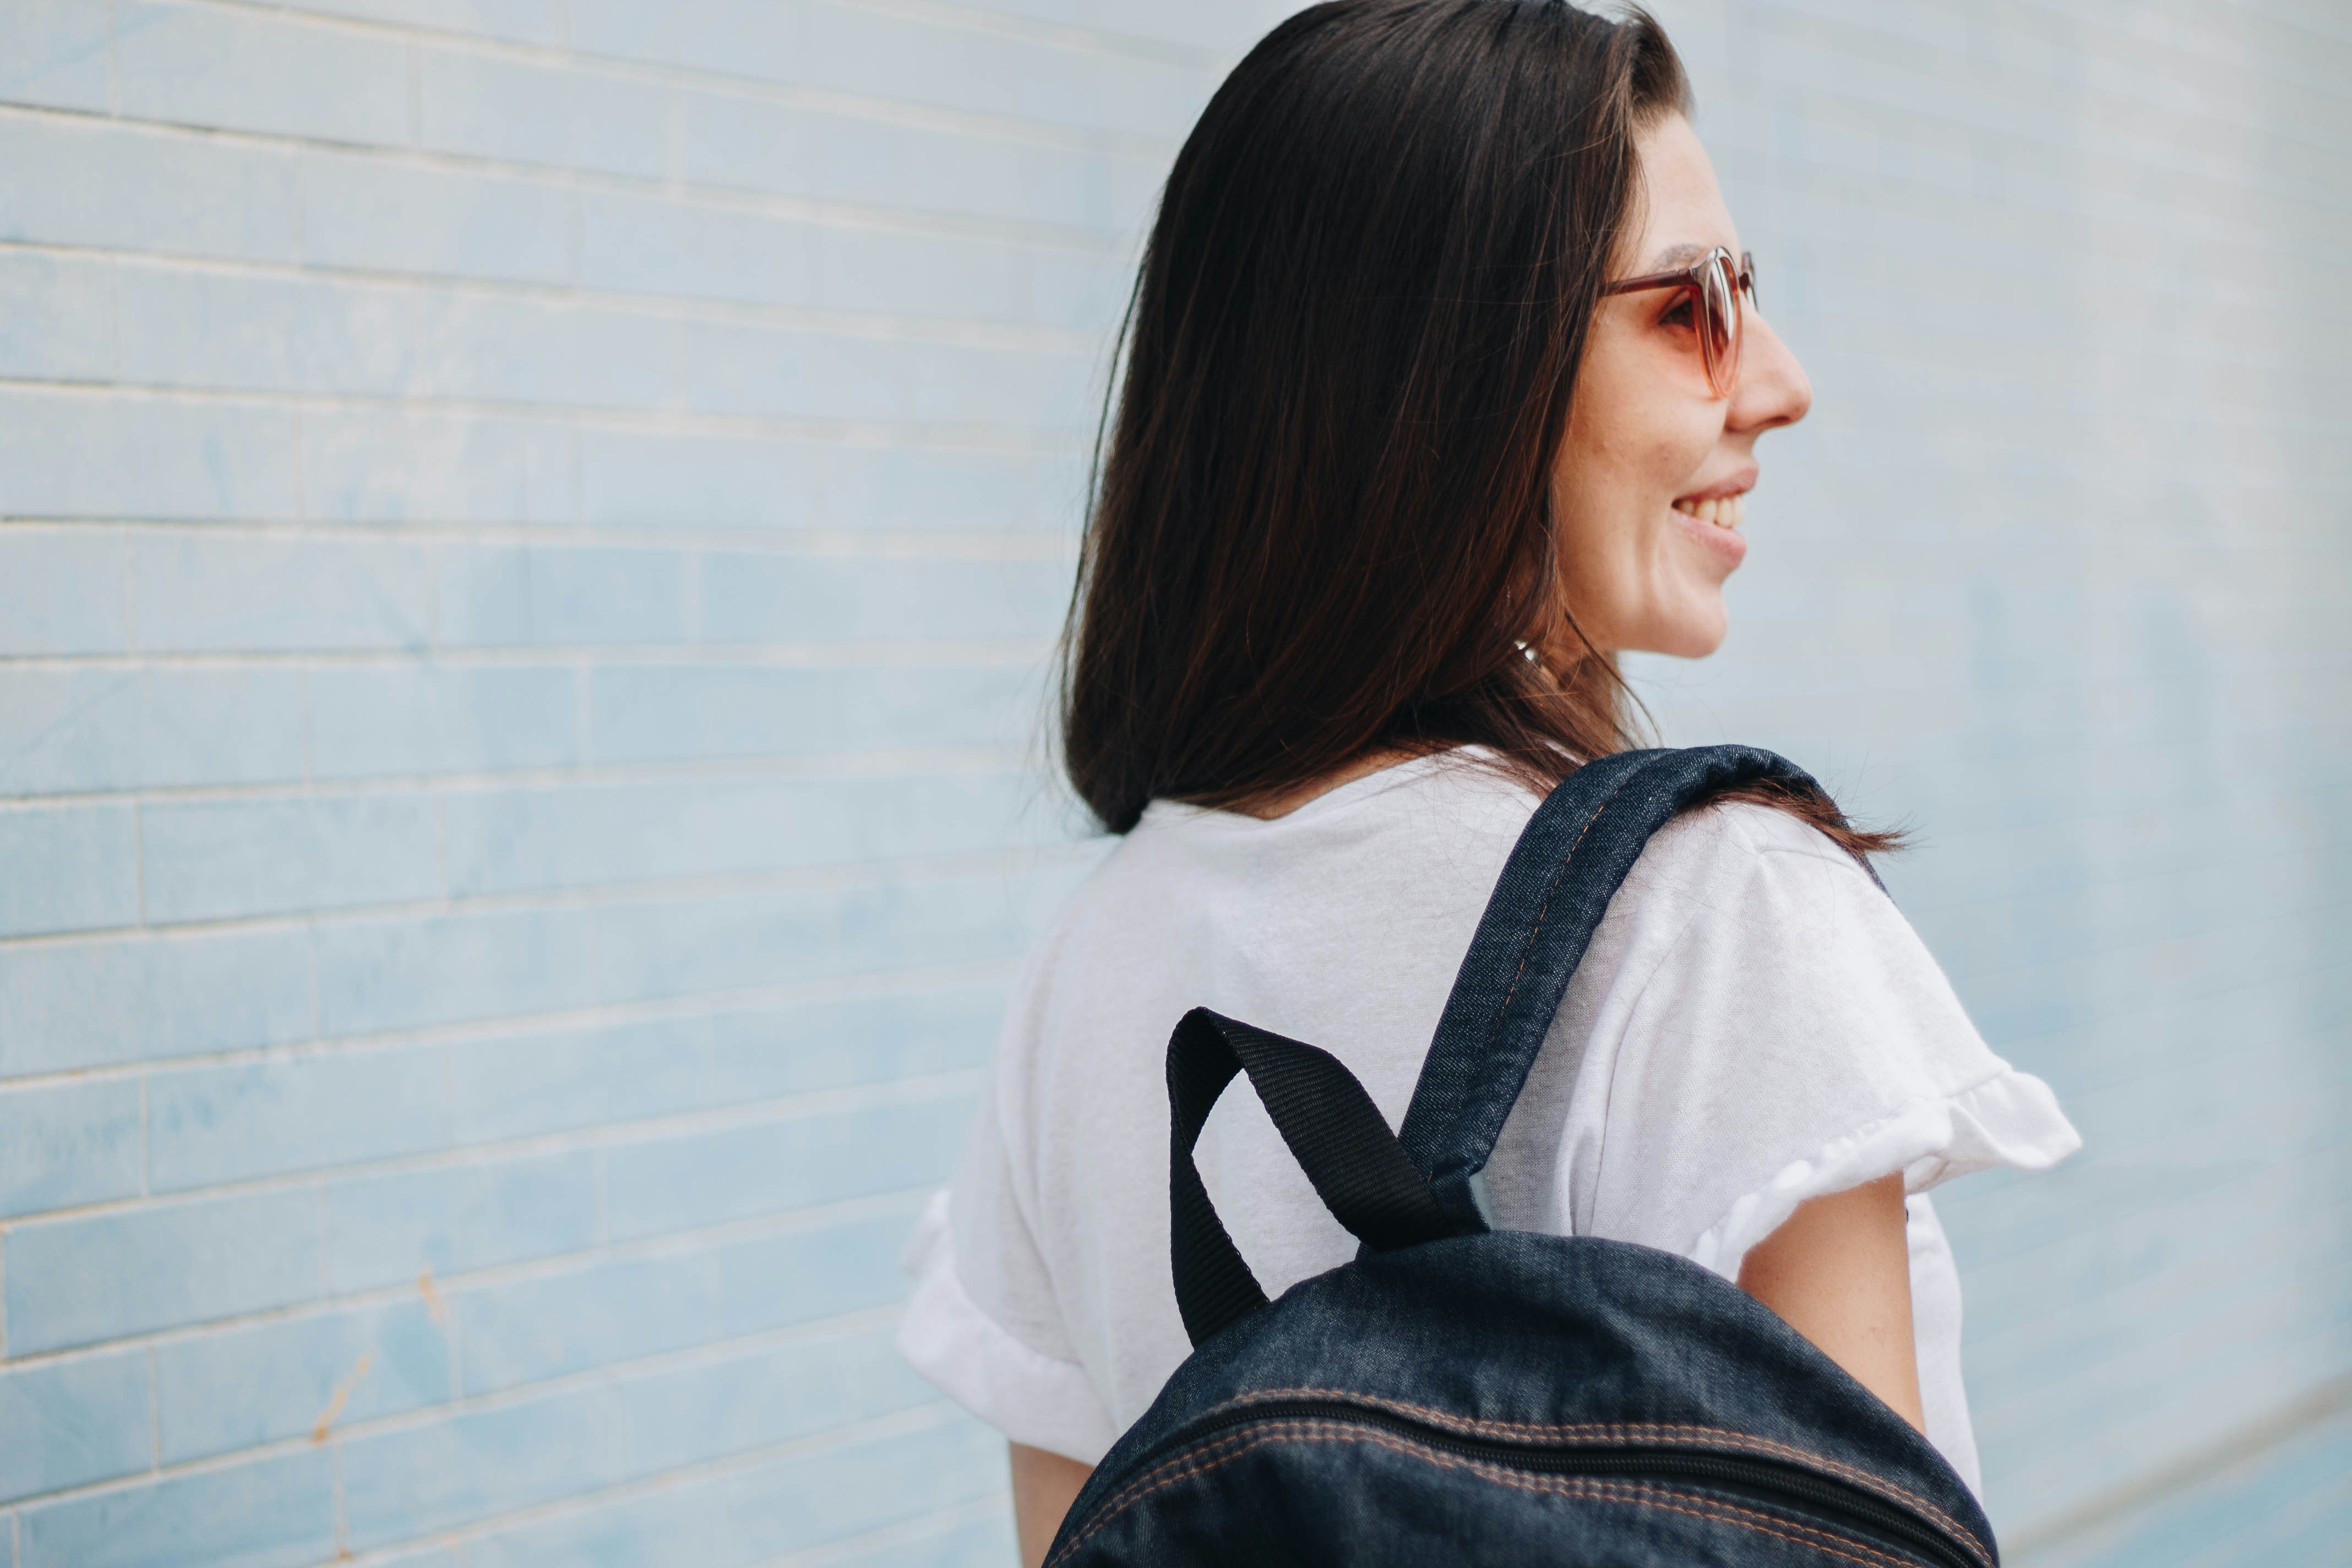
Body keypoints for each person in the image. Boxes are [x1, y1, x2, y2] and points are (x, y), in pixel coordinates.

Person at [897, 3, 2081, 1561]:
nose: (1779, 382)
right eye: (1691, 308)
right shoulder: (1716, 919)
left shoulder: (1093, 966)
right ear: (1454, 377)